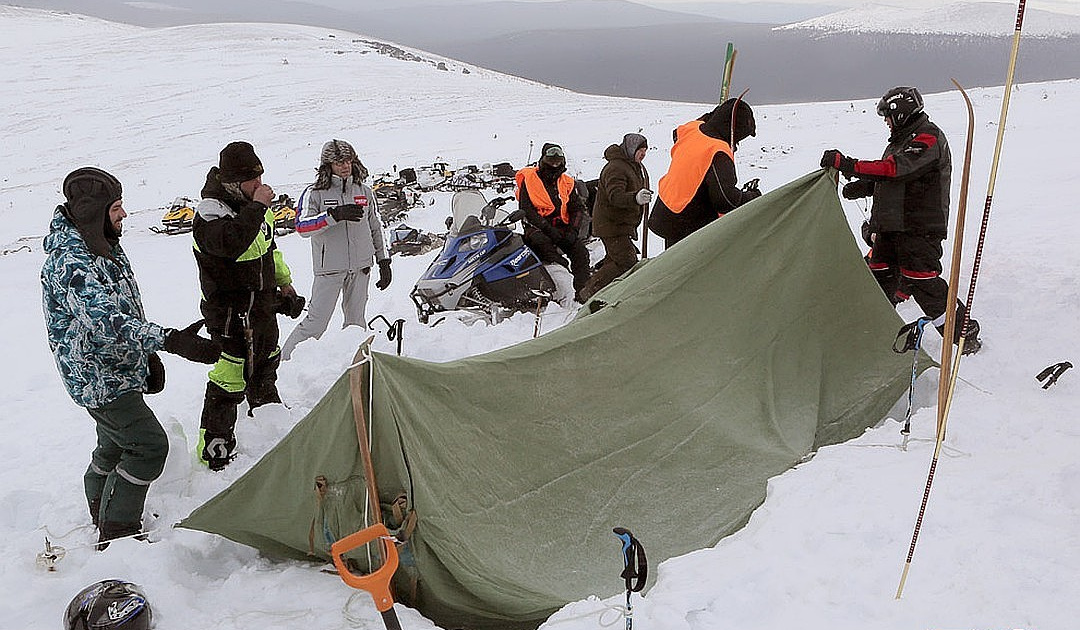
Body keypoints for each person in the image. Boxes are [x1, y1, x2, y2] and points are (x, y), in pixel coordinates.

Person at [42, 167, 220, 546]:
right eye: (117, 207)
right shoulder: (71, 262)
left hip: (116, 368)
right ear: (94, 212)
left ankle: (99, 507)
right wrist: (167, 341)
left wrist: (144, 356)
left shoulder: (100, 242)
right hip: (97, 375)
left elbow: (122, 310)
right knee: (148, 446)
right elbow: (106, 321)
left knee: (114, 443)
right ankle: (119, 530)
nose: (124, 215)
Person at [820, 86, 982, 353]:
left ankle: (964, 336)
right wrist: (866, 186)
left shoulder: (928, 138)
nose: (885, 122)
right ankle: (873, 336)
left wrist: (849, 164)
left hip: (918, 229)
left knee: (923, 284)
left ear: (900, 113)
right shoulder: (900, 140)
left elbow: (898, 170)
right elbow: (895, 179)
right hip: (890, 228)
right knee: (877, 280)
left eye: (887, 116)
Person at [192, 142, 301, 470]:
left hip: (261, 304)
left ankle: (267, 416)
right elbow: (237, 246)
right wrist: (257, 207)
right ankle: (215, 445)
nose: (260, 184)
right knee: (230, 374)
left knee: (267, 359)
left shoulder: (254, 206)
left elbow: (268, 247)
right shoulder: (210, 212)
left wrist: (285, 283)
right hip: (229, 311)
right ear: (232, 182)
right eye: (251, 179)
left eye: (260, 177)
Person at [281, 139, 391, 360]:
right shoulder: (314, 193)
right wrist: (333, 216)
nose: (345, 166)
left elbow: (375, 226)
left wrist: (383, 261)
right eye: (338, 162)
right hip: (329, 269)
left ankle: (353, 368)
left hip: (361, 267)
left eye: (348, 160)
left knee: (356, 323)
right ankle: (283, 364)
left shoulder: (365, 191)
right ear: (327, 165)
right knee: (315, 325)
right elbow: (302, 226)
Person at [648, 98, 761, 248]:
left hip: (667, 213)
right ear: (736, 130)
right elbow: (726, 200)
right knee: (690, 271)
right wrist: (752, 197)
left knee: (673, 268)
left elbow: (677, 133)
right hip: (689, 226)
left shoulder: (693, 130)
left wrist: (714, 119)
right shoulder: (718, 152)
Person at [578, 133, 651, 301]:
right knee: (626, 262)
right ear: (631, 149)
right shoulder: (616, 167)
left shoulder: (632, 165)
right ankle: (589, 293)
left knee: (614, 260)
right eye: (641, 150)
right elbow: (615, 196)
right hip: (611, 226)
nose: (643, 154)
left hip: (621, 225)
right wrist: (635, 197)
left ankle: (606, 293)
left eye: (645, 151)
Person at [515, 143, 590, 301]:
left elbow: (577, 208)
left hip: (562, 227)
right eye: (551, 161)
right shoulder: (529, 180)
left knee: (580, 251)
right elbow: (527, 210)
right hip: (536, 228)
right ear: (543, 160)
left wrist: (573, 231)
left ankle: (582, 292)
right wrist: (548, 230)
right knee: (548, 251)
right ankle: (558, 292)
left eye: (558, 162)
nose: (555, 165)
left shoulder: (567, 182)